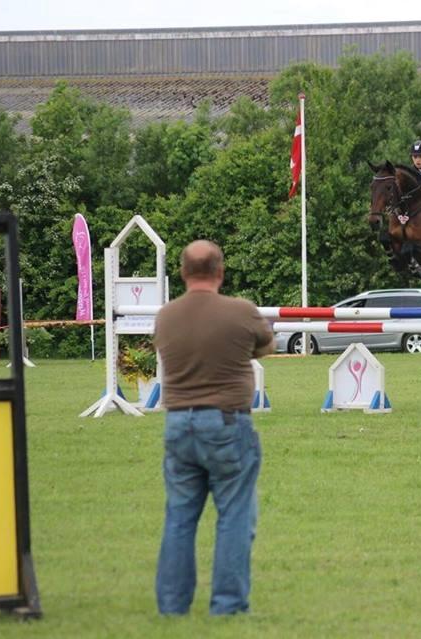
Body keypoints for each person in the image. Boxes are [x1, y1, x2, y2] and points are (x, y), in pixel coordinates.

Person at [153, 240, 274, 616]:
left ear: (183, 272)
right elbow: (265, 347)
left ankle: (172, 607)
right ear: (220, 272)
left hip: (177, 424)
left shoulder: (166, 316)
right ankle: (227, 606)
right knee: (235, 516)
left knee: (179, 518)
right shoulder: (241, 311)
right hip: (226, 423)